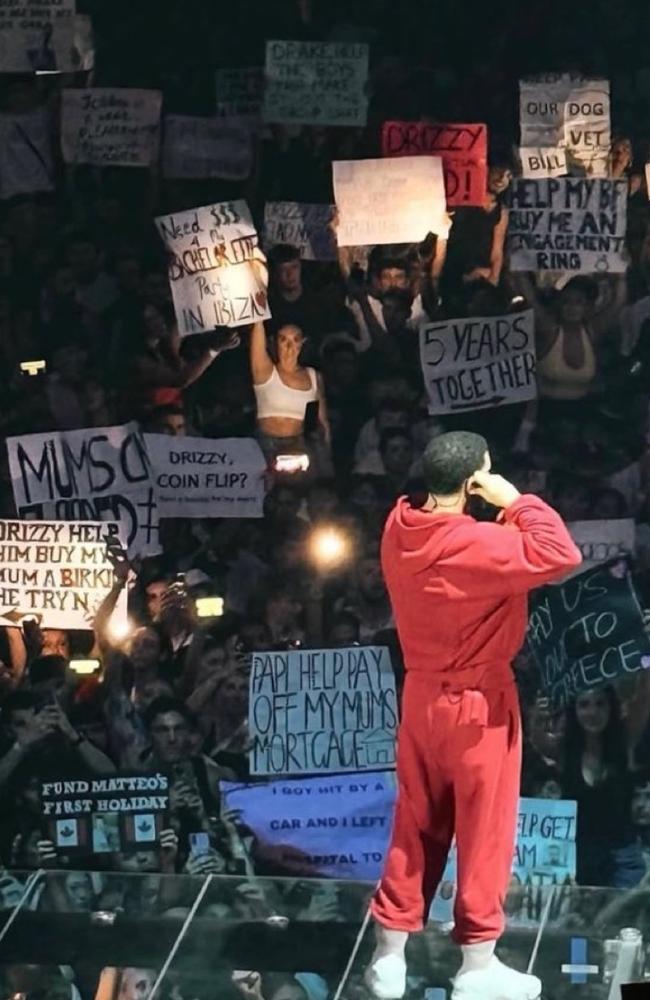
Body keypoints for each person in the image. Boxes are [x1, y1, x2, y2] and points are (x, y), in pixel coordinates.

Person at [365, 430, 581, 1000]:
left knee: (415, 824)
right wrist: (515, 501)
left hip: (420, 697)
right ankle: (477, 966)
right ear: (473, 484)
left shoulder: (398, 526)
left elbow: (436, 506)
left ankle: (389, 956)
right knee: (484, 831)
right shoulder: (476, 543)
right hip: (477, 703)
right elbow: (560, 552)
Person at [249, 320, 330, 464]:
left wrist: (326, 457)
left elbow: (321, 421)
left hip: (298, 446)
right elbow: (257, 335)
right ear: (274, 342)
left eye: (295, 339)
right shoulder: (264, 371)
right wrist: (258, 316)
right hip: (267, 445)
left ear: (302, 343)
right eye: (283, 339)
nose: (289, 345)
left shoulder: (313, 376)